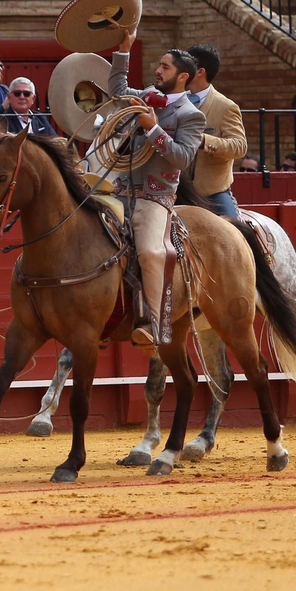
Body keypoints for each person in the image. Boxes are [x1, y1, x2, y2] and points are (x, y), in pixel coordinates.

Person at [106, 31, 204, 351]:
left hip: (154, 196)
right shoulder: (147, 96)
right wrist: (124, 49)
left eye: (165, 67)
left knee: (150, 252)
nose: (158, 71)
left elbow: (183, 158)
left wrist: (153, 129)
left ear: (183, 76)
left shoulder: (191, 115)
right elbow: (117, 91)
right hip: (119, 189)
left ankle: (157, 326)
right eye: (159, 65)